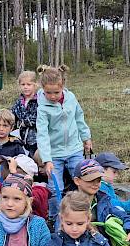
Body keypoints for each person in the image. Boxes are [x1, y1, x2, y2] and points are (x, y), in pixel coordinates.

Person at [35, 65, 92, 220]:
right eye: (48, 93)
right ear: (42, 89)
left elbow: (79, 117)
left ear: (63, 87)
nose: (52, 96)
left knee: (84, 180)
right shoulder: (42, 108)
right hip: (54, 154)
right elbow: (43, 134)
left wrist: (86, 138)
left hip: (74, 148)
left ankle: (84, 215)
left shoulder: (71, 98)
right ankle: (56, 219)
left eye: (56, 92)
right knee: (55, 188)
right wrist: (47, 160)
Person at [66, 159, 130, 246]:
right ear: (77, 181)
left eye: (98, 180)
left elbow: (125, 217)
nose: (95, 184)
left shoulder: (104, 200)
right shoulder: (68, 204)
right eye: (90, 180)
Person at [40, 191, 118, 246]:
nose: (74, 229)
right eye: (69, 223)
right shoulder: (53, 243)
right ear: (61, 219)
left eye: (80, 224)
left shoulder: (99, 242)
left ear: (88, 219)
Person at [10, 70, 39, 155]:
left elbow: (38, 118)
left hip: (36, 137)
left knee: (35, 157)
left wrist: (25, 122)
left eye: (29, 84)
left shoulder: (39, 100)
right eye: (23, 84)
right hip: (21, 136)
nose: (25, 87)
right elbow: (13, 115)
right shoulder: (19, 102)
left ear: (35, 85)